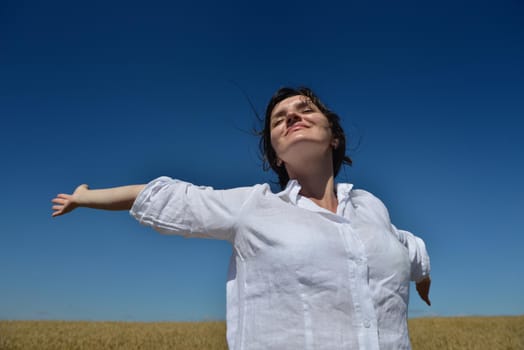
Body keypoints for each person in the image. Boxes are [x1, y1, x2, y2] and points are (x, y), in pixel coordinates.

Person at [51, 87, 431, 350]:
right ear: (276, 155)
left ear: (333, 136)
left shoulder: (371, 208)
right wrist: (84, 197)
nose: (292, 116)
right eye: (279, 119)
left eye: (306, 109)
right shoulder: (255, 206)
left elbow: (408, 248)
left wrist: (422, 277)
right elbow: (163, 196)